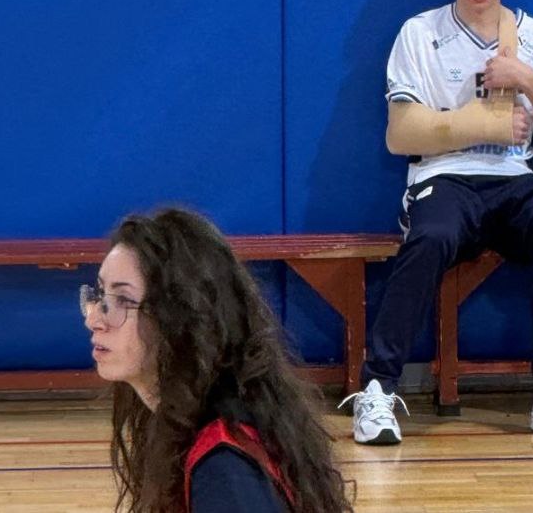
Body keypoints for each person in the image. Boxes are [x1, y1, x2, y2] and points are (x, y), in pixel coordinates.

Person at [345, 0, 533, 444]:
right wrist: (476, 124)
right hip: (444, 178)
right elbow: (401, 134)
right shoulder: (420, 32)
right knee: (431, 234)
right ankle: (377, 390)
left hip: (514, 178)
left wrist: (526, 79)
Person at [81, 207, 354, 513]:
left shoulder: (224, 468)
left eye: (123, 300)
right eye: (100, 294)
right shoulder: (186, 415)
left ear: (180, 316)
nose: (94, 318)